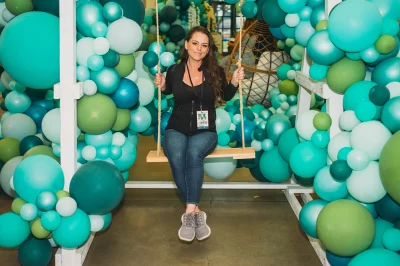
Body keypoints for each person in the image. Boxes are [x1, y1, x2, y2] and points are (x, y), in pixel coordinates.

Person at [154, 26, 245, 242]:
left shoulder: (215, 71)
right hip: (176, 127)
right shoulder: (175, 71)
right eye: (195, 43)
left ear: (208, 50)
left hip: (205, 131)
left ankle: (188, 212)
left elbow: (227, 94)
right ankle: (195, 211)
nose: (199, 49)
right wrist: (163, 84)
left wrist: (234, 81)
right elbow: (168, 90)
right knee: (176, 156)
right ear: (186, 45)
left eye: (204, 45)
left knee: (193, 153)